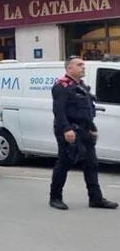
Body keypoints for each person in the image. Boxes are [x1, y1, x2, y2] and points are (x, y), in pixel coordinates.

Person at [49, 57, 118, 210]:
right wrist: (67, 129)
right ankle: (55, 197)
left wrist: (92, 128)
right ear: (69, 69)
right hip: (69, 130)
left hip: (85, 129)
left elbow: (87, 110)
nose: (83, 67)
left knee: (91, 164)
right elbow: (58, 112)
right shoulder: (61, 86)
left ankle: (96, 199)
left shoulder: (81, 86)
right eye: (79, 65)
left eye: (83, 65)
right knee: (64, 163)